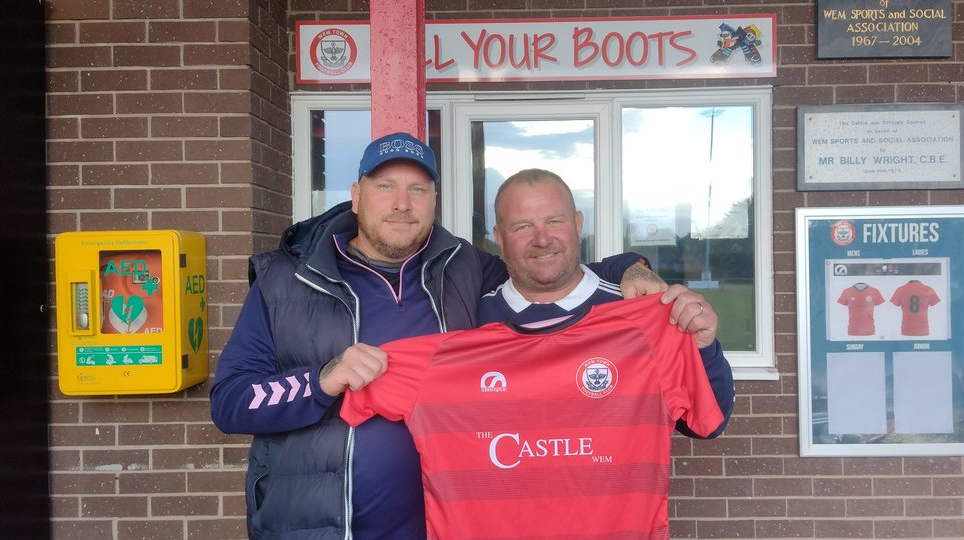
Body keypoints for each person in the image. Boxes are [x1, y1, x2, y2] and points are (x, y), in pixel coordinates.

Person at [209, 133, 662, 539]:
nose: (402, 203)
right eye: (385, 187)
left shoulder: (463, 268)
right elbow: (230, 402)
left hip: (442, 524)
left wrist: (628, 268)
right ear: (356, 196)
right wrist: (321, 380)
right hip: (317, 525)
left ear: (434, 200)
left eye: (417, 189)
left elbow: (545, 267)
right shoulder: (287, 281)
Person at [479, 168, 736, 437]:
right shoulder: (470, 319)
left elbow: (708, 425)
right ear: (499, 237)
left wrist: (703, 349)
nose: (542, 239)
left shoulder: (640, 310)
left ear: (578, 224)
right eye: (523, 226)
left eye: (555, 221)